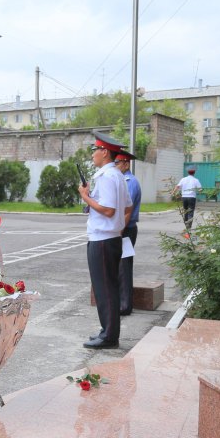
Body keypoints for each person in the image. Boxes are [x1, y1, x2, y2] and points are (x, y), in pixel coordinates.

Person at [79, 131, 132, 350]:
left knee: (105, 288)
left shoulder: (107, 176)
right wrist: (118, 226)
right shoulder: (116, 175)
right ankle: (107, 332)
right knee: (106, 286)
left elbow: (109, 210)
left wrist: (85, 197)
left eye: (95, 150)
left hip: (102, 239)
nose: (92, 155)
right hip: (108, 238)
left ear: (104, 152)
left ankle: (109, 336)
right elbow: (126, 207)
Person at [115, 151, 141, 316]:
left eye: (117, 163)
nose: (116, 166)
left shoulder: (129, 182)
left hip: (126, 229)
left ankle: (125, 305)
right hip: (122, 228)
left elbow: (126, 209)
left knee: (124, 268)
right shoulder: (122, 180)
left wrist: (119, 231)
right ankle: (120, 302)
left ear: (126, 164)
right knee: (119, 267)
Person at [173, 168, 202, 236]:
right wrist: (199, 191)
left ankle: (186, 227)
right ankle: (188, 230)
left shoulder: (183, 179)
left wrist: (173, 192)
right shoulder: (196, 180)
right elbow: (200, 189)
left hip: (184, 197)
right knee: (190, 213)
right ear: (194, 173)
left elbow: (177, 186)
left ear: (188, 173)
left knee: (185, 212)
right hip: (192, 197)